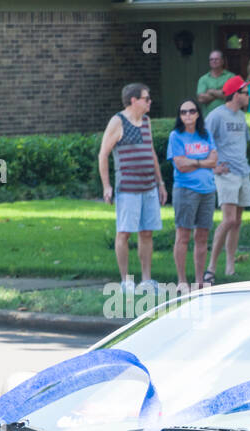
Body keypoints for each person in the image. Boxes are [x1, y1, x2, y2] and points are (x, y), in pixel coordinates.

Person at [98, 83, 168, 294]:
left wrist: (160, 183)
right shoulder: (117, 122)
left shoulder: (146, 122)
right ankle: (126, 281)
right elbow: (103, 154)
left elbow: (152, 152)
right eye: (146, 99)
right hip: (128, 188)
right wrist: (106, 186)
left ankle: (146, 280)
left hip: (149, 187)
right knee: (125, 233)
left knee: (146, 233)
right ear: (133, 100)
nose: (149, 102)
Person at [167, 98, 219, 287]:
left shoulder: (206, 135)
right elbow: (180, 165)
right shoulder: (176, 136)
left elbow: (214, 160)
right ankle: (182, 281)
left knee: (202, 236)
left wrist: (194, 162)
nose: (187, 115)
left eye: (191, 111)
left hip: (208, 190)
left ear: (197, 114)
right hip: (186, 190)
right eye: (183, 112)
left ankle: (198, 281)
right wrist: (202, 162)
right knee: (183, 235)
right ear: (180, 116)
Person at [205, 76, 250, 279]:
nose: (249, 96)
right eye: (245, 92)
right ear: (235, 95)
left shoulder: (241, 116)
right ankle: (211, 268)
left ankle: (230, 267)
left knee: (237, 221)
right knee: (228, 220)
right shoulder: (216, 116)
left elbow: (244, 142)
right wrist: (212, 167)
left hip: (243, 173)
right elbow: (203, 142)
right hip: (226, 174)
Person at [196, 50, 236, 118]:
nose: (213, 61)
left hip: (227, 117)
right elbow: (201, 99)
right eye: (211, 59)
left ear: (222, 61)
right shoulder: (203, 79)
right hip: (208, 118)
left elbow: (231, 96)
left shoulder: (231, 77)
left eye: (216, 59)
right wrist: (221, 93)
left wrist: (211, 91)